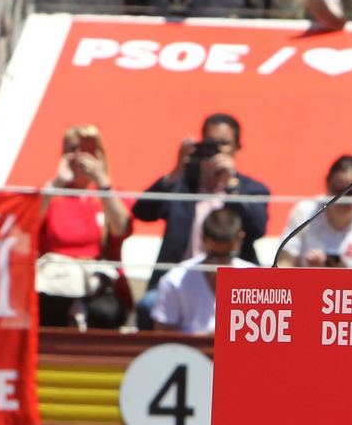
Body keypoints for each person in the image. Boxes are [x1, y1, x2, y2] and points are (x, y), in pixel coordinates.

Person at [132, 112, 269, 268]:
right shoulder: (183, 186)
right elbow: (142, 212)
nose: (217, 150)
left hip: (233, 280)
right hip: (180, 281)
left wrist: (231, 186)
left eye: (224, 143)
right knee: (153, 294)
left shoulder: (251, 189)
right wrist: (176, 172)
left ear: (237, 147)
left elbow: (257, 230)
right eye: (210, 143)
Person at [38, 123, 134, 325]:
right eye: (73, 149)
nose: (80, 155)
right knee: (49, 304)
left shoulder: (110, 195)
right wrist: (57, 184)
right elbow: (27, 227)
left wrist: (102, 182)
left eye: (87, 150)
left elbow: (121, 228)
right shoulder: (51, 196)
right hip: (54, 280)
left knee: (106, 312)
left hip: (97, 282)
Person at [150, 205, 253, 335]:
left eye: (227, 256)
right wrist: (209, 338)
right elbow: (162, 336)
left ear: (240, 238)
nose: (220, 264)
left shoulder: (255, 279)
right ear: (203, 239)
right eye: (214, 256)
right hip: (188, 354)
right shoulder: (175, 280)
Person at [279, 154, 352, 267]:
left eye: (351, 192)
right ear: (327, 184)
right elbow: (285, 262)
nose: (342, 197)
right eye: (338, 190)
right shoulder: (304, 211)